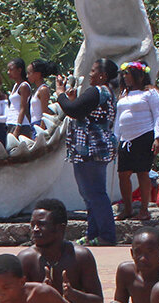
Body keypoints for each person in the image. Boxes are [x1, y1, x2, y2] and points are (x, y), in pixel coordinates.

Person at [55, 58, 119, 246]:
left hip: (91, 148)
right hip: (90, 148)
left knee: (95, 193)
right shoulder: (106, 93)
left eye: (93, 71)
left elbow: (72, 110)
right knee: (89, 194)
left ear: (102, 75)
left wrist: (60, 94)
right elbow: (82, 111)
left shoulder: (97, 91)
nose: (90, 74)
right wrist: (73, 100)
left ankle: (107, 235)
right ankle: (93, 234)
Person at [17, 198, 104, 303]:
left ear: (60, 227)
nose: (35, 230)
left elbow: (98, 302)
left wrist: (73, 294)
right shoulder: (26, 259)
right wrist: (40, 294)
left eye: (41, 224)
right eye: (32, 224)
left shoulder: (80, 256)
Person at [115, 61, 159, 221]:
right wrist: (115, 138)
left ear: (140, 76)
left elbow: (158, 115)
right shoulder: (124, 94)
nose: (125, 77)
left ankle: (144, 209)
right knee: (123, 174)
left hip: (144, 135)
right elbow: (118, 119)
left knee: (143, 173)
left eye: (128, 74)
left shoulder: (150, 93)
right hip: (125, 139)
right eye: (124, 75)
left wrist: (158, 137)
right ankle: (127, 208)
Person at [6, 58, 32, 138]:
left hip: (20, 125)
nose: (8, 72)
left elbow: (23, 108)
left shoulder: (24, 86)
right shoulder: (15, 86)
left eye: (11, 69)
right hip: (11, 122)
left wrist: (18, 128)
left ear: (19, 70)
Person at [26, 59, 56, 130]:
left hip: (39, 124)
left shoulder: (43, 90)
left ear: (37, 74)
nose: (27, 76)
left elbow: (45, 113)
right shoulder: (37, 90)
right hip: (34, 124)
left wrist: (41, 131)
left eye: (29, 73)